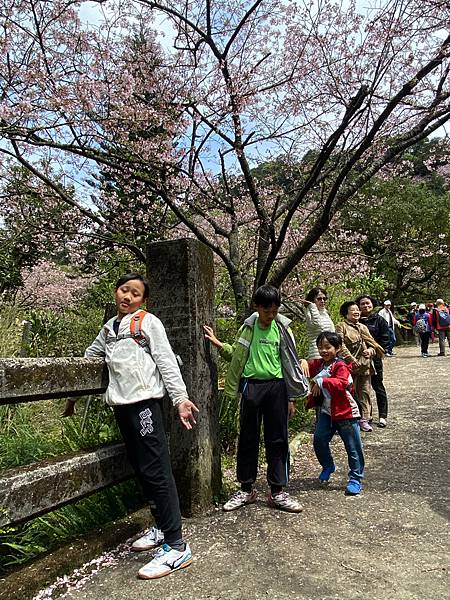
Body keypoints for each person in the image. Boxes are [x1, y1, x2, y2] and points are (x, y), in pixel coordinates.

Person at [63, 273, 199, 580]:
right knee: (141, 467)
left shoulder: (147, 323)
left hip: (145, 405)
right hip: (122, 407)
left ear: (143, 300)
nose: (127, 296)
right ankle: (161, 526)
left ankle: (177, 546)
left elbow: (165, 360)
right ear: (116, 291)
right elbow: (89, 359)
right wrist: (72, 397)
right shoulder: (109, 328)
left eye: (135, 293)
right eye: (124, 289)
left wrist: (180, 398)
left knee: (156, 468)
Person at [203, 284, 307, 513]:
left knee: (278, 439)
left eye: (275, 309)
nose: (272, 314)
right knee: (248, 437)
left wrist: (291, 397)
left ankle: (278, 491)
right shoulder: (248, 328)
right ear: (257, 307)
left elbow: (290, 364)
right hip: (252, 387)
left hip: (277, 387)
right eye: (268, 309)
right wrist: (218, 343)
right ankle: (246, 488)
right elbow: (236, 355)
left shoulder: (282, 329)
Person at [305, 331, 364, 496]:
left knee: (353, 448)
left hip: (345, 412)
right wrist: (302, 362)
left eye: (328, 347)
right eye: (320, 347)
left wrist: (321, 381)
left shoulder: (340, 365)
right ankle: (328, 465)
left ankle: (355, 478)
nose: (324, 351)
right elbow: (306, 366)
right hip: (326, 412)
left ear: (337, 348)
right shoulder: (319, 364)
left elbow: (342, 383)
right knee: (319, 440)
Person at [335, 301, 380, 433]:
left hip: (365, 366)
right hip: (348, 367)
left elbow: (372, 343)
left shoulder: (363, 327)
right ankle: (348, 419)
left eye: (357, 310)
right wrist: (351, 359)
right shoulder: (341, 326)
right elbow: (340, 345)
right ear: (346, 313)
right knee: (348, 393)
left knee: (365, 392)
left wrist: (371, 351)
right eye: (353, 310)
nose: (356, 312)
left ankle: (365, 419)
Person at [356, 295, 390, 428]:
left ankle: (382, 415)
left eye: (367, 303)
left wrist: (374, 351)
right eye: (362, 304)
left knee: (378, 386)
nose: (365, 306)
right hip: (359, 360)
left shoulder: (379, 320)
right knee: (361, 389)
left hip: (374, 358)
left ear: (372, 304)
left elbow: (385, 339)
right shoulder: (355, 321)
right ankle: (365, 416)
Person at [299, 287, 335, 359]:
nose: (322, 301)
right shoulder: (309, 313)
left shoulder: (325, 313)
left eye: (324, 299)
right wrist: (312, 306)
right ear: (312, 300)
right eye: (319, 299)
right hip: (317, 355)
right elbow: (317, 324)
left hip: (329, 353)